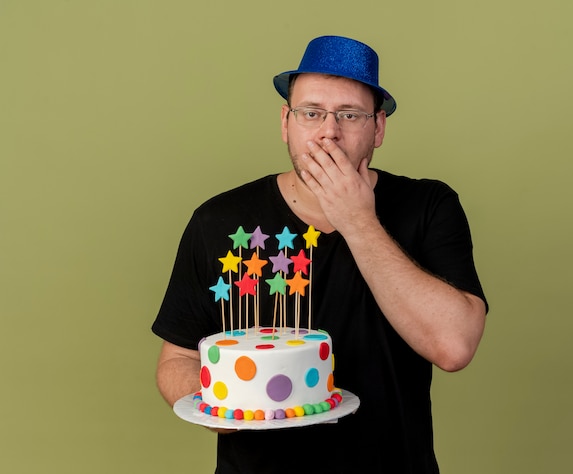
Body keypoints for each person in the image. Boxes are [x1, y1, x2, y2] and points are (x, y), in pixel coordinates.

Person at [152, 35, 488, 473]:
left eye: (349, 115)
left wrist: (357, 220)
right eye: (311, 113)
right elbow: (176, 361)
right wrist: (226, 404)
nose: (329, 131)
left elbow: (454, 347)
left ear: (378, 128)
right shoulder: (217, 220)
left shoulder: (429, 207)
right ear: (286, 123)